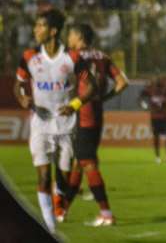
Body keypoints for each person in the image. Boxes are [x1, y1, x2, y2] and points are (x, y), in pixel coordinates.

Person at [13, 9, 95, 234]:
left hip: (66, 126)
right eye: (36, 25)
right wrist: (22, 98)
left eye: (40, 26)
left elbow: (91, 85)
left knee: (65, 177)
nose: (35, 30)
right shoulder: (30, 57)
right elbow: (18, 84)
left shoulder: (72, 58)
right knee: (43, 175)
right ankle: (49, 226)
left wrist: (75, 105)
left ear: (53, 31)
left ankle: (60, 195)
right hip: (40, 124)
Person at [63, 22, 128, 227]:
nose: (68, 39)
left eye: (71, 35)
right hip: (97, 113)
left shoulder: (74, 56)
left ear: (79, 38)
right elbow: (122, 83)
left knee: (87, 162)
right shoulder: (103, 57)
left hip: (82, 113)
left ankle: (106, 213)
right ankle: (62, 210)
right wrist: (104, 97)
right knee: (79, 162)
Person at [139, 76, 166, 163]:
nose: (160, 85)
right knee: (156, 137)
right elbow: (140, 97)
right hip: (155, 117)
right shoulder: (151, 90)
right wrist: (144, 105)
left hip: (165, 116)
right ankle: (157, 157)